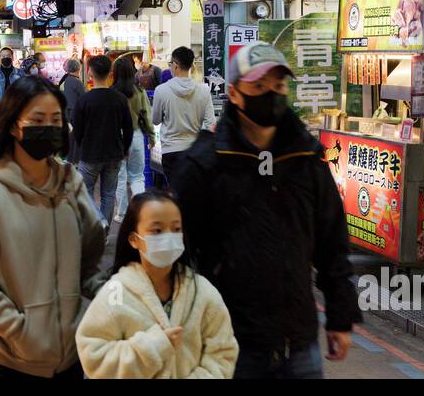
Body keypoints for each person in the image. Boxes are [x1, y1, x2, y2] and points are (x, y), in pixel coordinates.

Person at [170, 42, 361, 378]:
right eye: (258, 86)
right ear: (234, 93)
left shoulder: (306, 158)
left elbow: (332, 243)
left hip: (299, 340)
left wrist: (340, 316)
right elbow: (181, 255)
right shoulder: (204, 163)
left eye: (278, 86)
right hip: (227, 342)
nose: (270, 94)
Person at [0, 75, 107, 378]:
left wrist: (112, 300)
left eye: (56, 119)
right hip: (3, 360)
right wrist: (19, 330)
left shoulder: (70, 182)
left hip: (68, 356)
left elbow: (88, 261)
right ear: (13, 124)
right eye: (37, 119)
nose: (48, 127)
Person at [76, 190, 238, 378]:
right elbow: (94, 357)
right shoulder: (116, 292)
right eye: (157, 230)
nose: (168, 237)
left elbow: (223, 352)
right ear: (134, 239)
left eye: (176, 229)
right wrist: (151, 348)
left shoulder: (202, 292)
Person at [71, 54, 133, 228]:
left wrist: (83, 144)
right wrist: (125, 149)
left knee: (85, 190)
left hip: (90, 153)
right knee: (108, 194)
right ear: (110, 73)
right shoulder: (120, 99)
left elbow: (77, 127)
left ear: (90, 72)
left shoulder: (84, 100)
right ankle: (103, 231)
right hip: (114, 153)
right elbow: (128, 127)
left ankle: (99, 221)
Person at [151, 46, 216, 183]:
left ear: (175, 65)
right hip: (195, 152)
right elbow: (211, 123)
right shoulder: (203, 91)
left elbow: (155, 120)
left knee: (176, 194)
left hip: (170, 150)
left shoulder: (161, 90)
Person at [112, 56, 153, 224]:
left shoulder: (112, 92)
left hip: (117, 138)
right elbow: (146, 115)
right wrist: (151, 135)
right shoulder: (139, 91)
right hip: (136, 136)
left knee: (120, 178)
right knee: (137, 177)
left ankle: (121, 214)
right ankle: (140, 212)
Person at [58, 59, 84, 123]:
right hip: (75, 113)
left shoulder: (66, 80)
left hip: (65, 112)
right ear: (78, 68)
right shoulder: (77, 82)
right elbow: (83, 98)